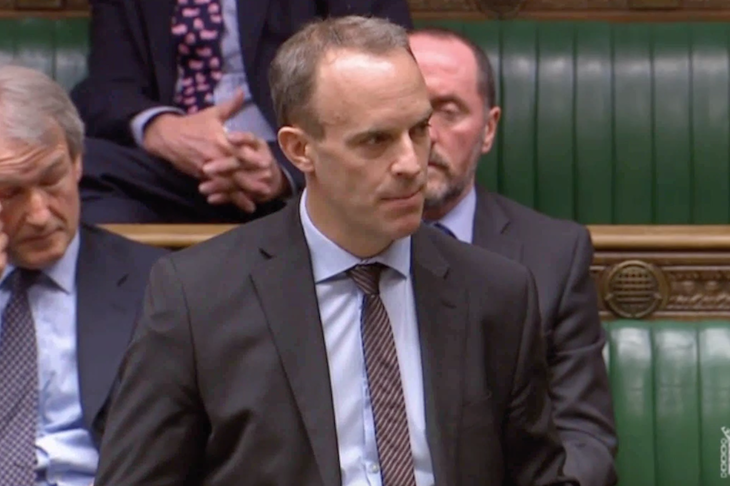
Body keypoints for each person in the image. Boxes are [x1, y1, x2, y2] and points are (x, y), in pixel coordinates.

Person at [93, 16, 577, 486]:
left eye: (419, 129)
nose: (411, 164)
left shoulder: (497, 294)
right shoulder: (196, 298)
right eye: (376, 140)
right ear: (299, 149)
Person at [409, 27, 618, 486]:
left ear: (488, 128)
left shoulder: (554, 255)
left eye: (448, 111)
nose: (427, 136)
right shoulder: (324, 249)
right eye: (409, 112)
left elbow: (585, 440)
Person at [71, 0, 412, 223]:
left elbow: (380, 67)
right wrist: (160, 129)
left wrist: (282, 169)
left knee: (370, 159)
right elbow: (106, 87)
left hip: (301, 162)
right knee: (72, 164)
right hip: (169, 170)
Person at [0, 65, 167, 485]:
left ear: (77, 162)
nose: (40, 215)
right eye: (9, 191)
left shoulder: (161, 284)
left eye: (51, 179)